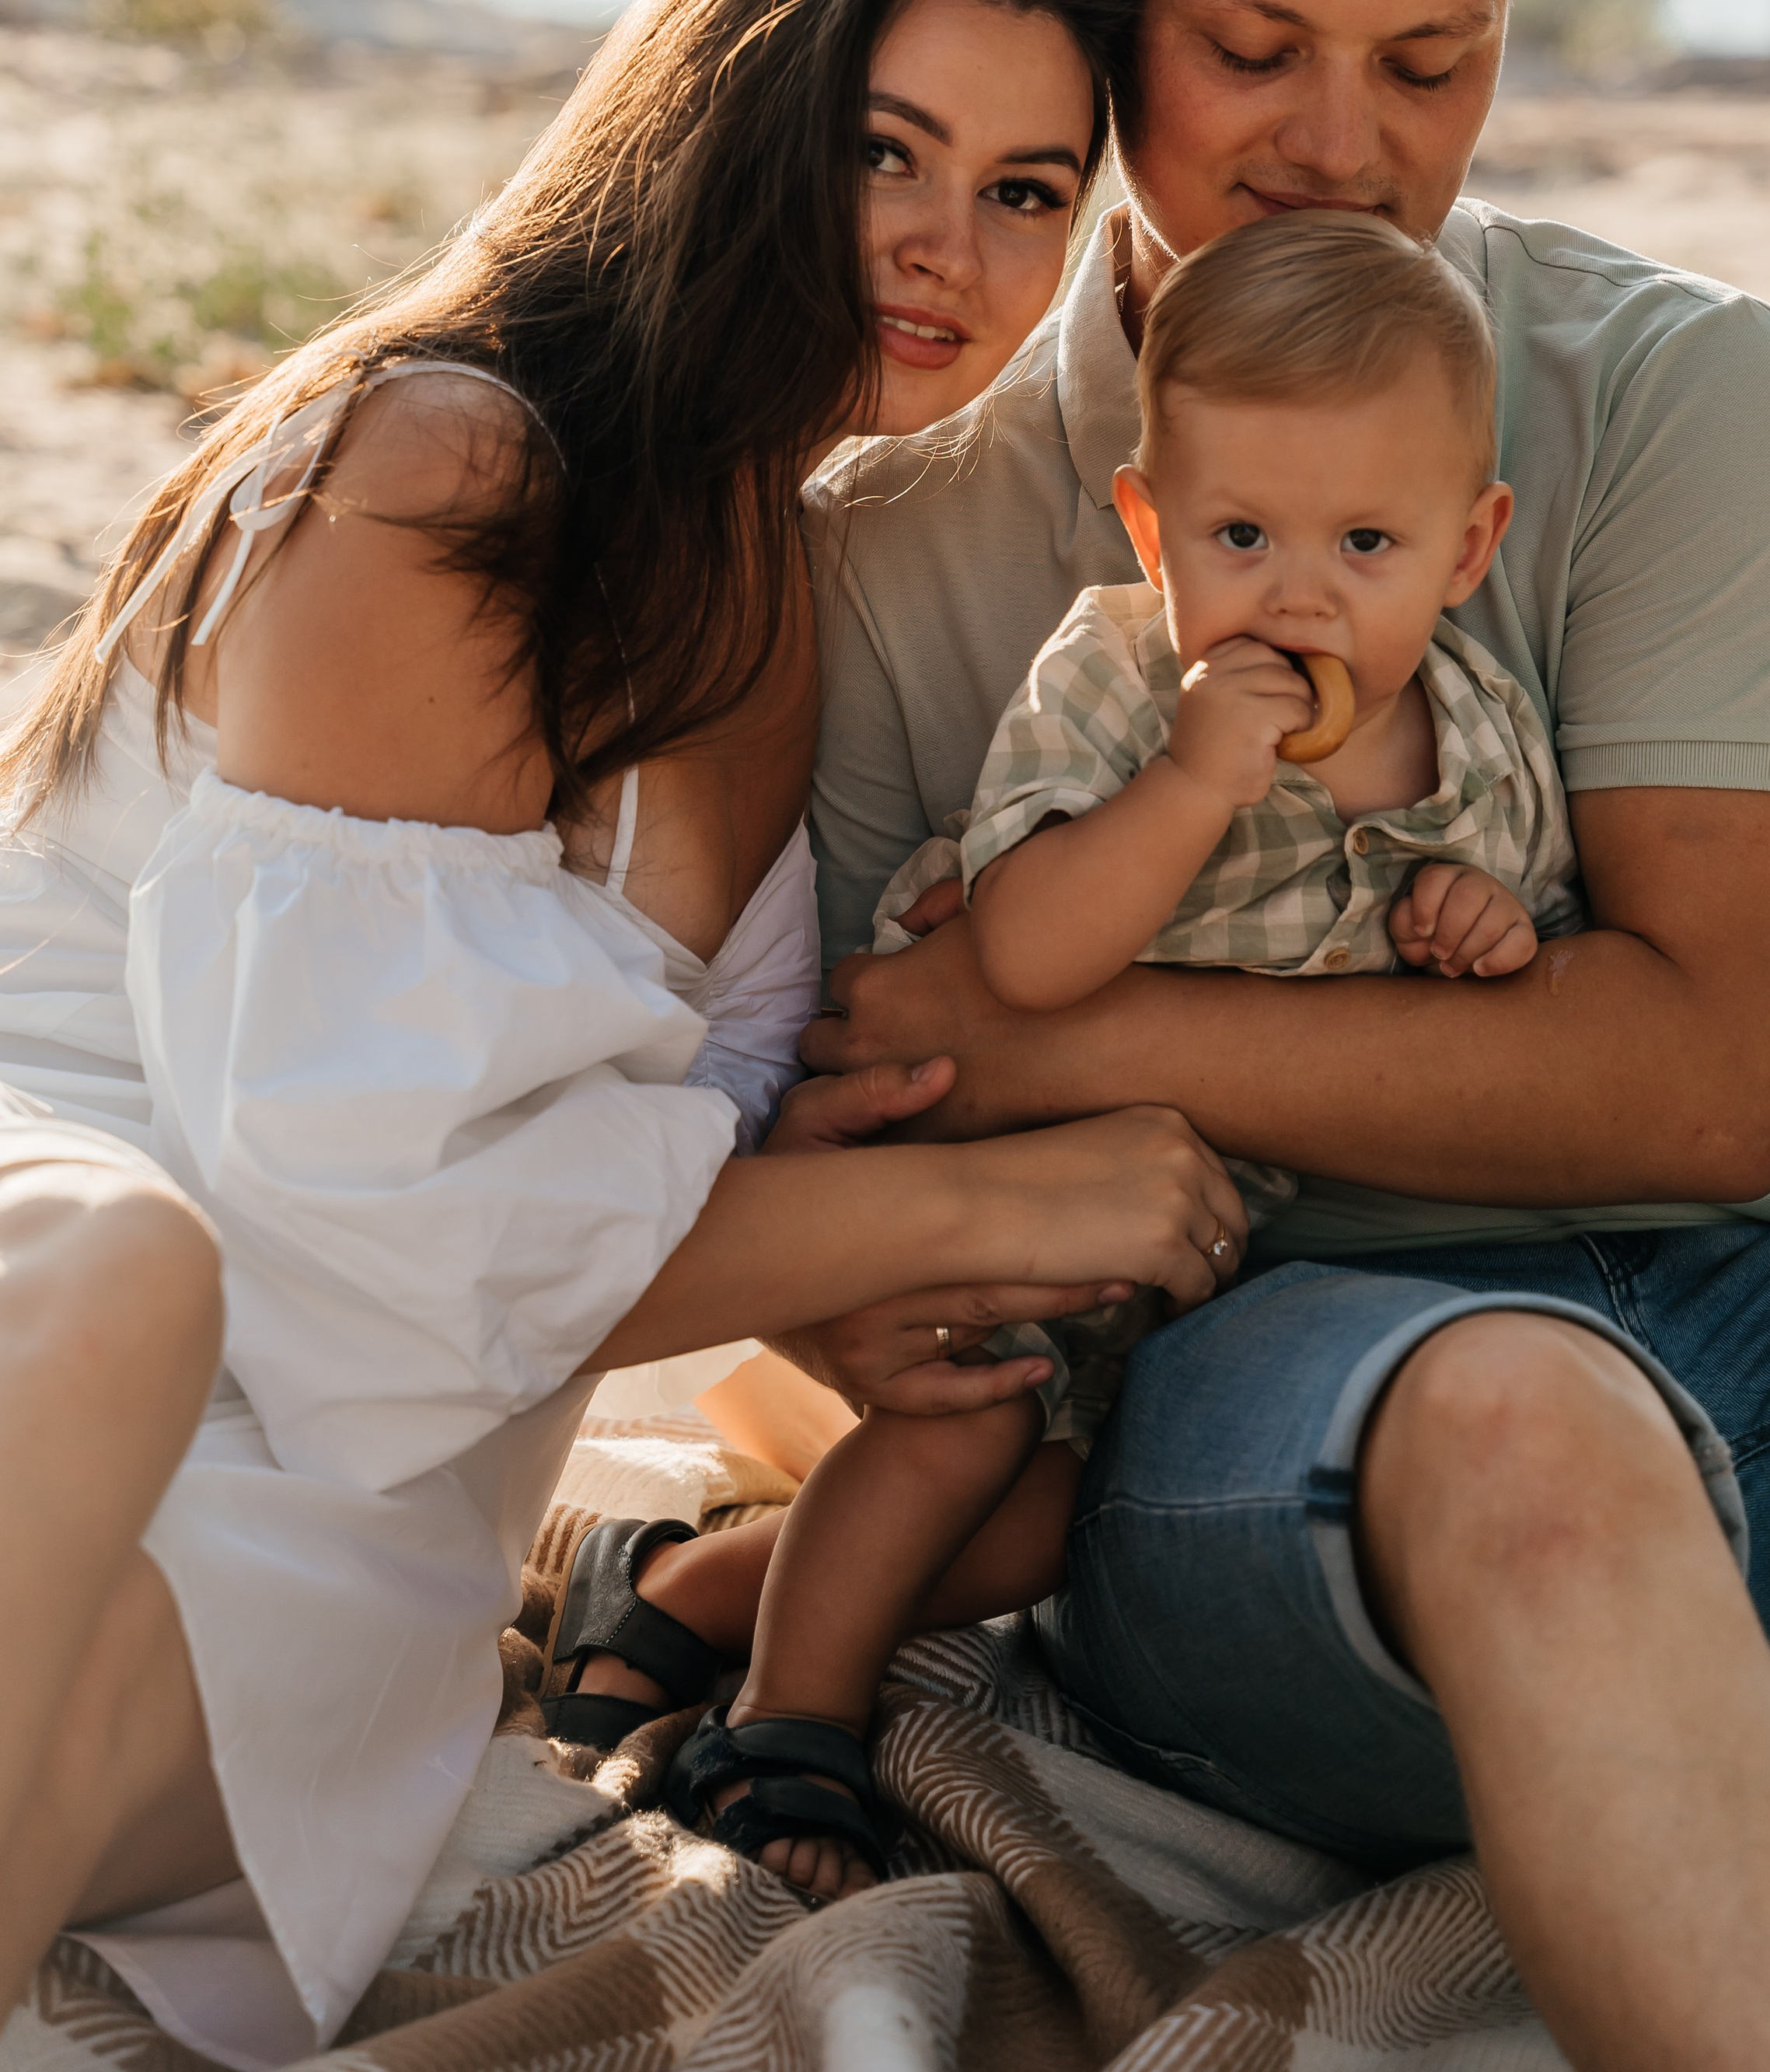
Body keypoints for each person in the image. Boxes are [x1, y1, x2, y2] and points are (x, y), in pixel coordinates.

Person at [797, 0, 1770, 2070]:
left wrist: (1066, 1021)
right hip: (1260, 1456)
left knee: (1604, 1395)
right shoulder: (906, 535)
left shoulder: (1675, 395)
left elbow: (1698, 1086)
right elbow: (835, 1146)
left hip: (1769, 1385)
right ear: (1123, 19)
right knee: (1520, 1416)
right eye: (1251, 48)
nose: (1342, 143)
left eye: (1428, 64)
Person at [0, 0, 1248, 2056]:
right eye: (886, 150)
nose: (947, 249)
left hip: (352, 1568)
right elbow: (372, 1224)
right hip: (80, 1308)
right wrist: (971, 1195)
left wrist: (865, 1269)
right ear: (742, 110)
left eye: (1032, 192)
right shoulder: (450, 465)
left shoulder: (783, 576)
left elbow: (543, 1230)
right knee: (122, 1281)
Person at [642, 207, 1583, 1894]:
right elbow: (1024, 953)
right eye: (1238, 533)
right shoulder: (1117, 682)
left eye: (1364, 543)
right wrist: (1188, 789)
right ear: (1149, 527)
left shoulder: (1482, 733)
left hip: (1181, 1245)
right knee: (957, 1437)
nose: (1296, 593)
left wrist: (1476, 923)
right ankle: (787, 1723)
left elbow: (1516, 934)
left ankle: (696, 1592)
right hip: (984, 1176)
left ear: (1465, 545)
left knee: (1035, 1530)